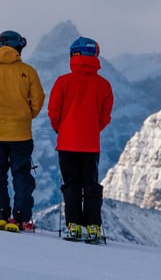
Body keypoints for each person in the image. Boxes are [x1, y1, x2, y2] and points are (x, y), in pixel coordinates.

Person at [0, 30, 45, 232]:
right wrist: (27, 114)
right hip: (20, 132)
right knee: (21, 174)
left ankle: (1, 216)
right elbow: (39, 99)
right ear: (18, 47)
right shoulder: (28, 71)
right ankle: (21, 218)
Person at [48, 36, 114, 242]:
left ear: (74, 55)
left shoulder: (63, 82)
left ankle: (74, 225)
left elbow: (53, 111)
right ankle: (93, 225)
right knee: (90, 184)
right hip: (91, 143)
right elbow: (105, 116)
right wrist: (92, 129)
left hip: (67, 142)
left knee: (71, 184)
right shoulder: (103, 85)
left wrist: (63, 129)